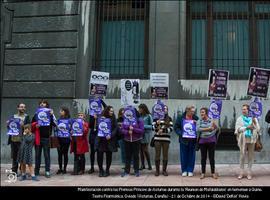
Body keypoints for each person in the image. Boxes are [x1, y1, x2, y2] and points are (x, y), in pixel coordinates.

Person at [235, 104, 260, 180]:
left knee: (250, 156)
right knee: (242, 156)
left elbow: (258, 129)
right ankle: (241, 172)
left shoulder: (253, 119)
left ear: (248, 110)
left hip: (251, 139)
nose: (243, 110)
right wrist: (246, 128)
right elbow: (237, 129)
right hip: (243, 139)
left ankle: (249, 172)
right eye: (242, 109)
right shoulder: (239, 119)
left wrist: (255, 124)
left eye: (245, 109)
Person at [31, 99, 56, 178]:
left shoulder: (50, 113)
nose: (42, 104)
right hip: (38, 138)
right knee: (37, 155)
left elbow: (55, 124)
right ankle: (36, 171)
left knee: (47, 155)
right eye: (41, 103)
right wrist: (35, 125)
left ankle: (47, 171)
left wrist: (52, 115)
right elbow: (31, 124)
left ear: (46, 104)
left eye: (44, 103)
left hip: (46, 138)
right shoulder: (36, 113)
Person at [174, 105, 199, 177]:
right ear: (187, 110)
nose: (193, 113)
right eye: (191, 111)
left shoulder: (195, 118)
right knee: (183, 155)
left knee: (192, 155)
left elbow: (199, 127)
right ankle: (184, 170)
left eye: (193, 112)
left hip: (193, 140)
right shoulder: (180, 118)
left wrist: (196, 123)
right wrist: (181, 133)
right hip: (183, 140)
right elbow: (176, 127)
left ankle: (190, 170)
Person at [7, 103, 30, 176]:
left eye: (24, 107)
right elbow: (9, 128)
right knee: (14, 157)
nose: (23, 108)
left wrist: (24, 126)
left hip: (22, 140)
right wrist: (7, 124)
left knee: (22, 157)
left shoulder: (26, 117)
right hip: (13, 139)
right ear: (18, 108)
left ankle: (22, 172)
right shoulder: (13, 116)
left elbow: (29, 128)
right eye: (21, 107)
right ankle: (14, 171)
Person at [120, 108, 144, 177]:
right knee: (127, 156)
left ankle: (136, 170)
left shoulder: (139, 120)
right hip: (127, 140)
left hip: (136, 140)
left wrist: (134, 129)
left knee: (136, 156)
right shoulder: (125, 120)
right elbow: (122, 130)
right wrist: (127, 131)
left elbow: (141, 131)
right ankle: (126, 171)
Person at [96, 106, 118, 177]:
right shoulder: (101, 116)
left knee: (109, 155)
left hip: (109, 140)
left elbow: (116, 128)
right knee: (99, 155)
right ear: (107, 111)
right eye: (111, 111)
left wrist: (111, 135)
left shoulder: (113, 117)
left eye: (112, 111)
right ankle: (101, 170)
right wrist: (99, 120)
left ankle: (107, 170)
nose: (112, 112)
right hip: (101, 140)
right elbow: (97, 127)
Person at [197, 107, 218, 179]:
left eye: (203, 112)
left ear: (206, 113)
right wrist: (208, 129)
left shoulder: (211, 120)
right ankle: (203, 173)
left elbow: (215, 129)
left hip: (211, 141)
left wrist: (215, 127)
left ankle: (213, 173)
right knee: (203, 158)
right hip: (202, 141)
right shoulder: (199, 121)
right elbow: (198, 129)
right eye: (201, 112)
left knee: (211, 158)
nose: (201, 113)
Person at [152, 105, 173, 176]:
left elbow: (171, 129)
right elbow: (153, 128)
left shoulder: (169, 118)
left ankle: (164, 170)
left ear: (167, 110)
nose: (164, 110)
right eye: (163, 109)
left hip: (166, 140)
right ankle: (157, 171)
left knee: (165, 155)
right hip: (157, 139)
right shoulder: (156, 118)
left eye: (166, 109)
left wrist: (163, 130)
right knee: (157, 155)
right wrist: (156, 125)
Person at [88, 99, 106, 174]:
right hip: (93, 135)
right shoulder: (92, 114)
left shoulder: (103, 114)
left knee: (99, 152)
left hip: (100, 135)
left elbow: (107, 108)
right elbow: (90, 126)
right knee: (92, 152)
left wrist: (101, 101)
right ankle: (92, 167)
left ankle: (100, 168)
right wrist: (93, 118)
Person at [56, 107, 72, 174]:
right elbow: (56, 128)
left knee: (65, 154)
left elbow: (71, 128)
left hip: (66, 139)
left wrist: (71, 131)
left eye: (61, 111)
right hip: (59, 139)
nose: (60, 112)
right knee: (59, 154)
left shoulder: (69, 120)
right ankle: (60, 168)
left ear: (65, 112)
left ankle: (65, 169)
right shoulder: (58, 119)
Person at [138, 104, 153, 171]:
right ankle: (142, 165)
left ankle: (149, 164)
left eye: (140, 109)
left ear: (143, 109)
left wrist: (143, 126)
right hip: (140, 134)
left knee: (145, 150)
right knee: (141, 150)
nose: (139, 110)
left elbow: (152, 126)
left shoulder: (149, 116)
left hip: (146, 135)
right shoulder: (139, 116)